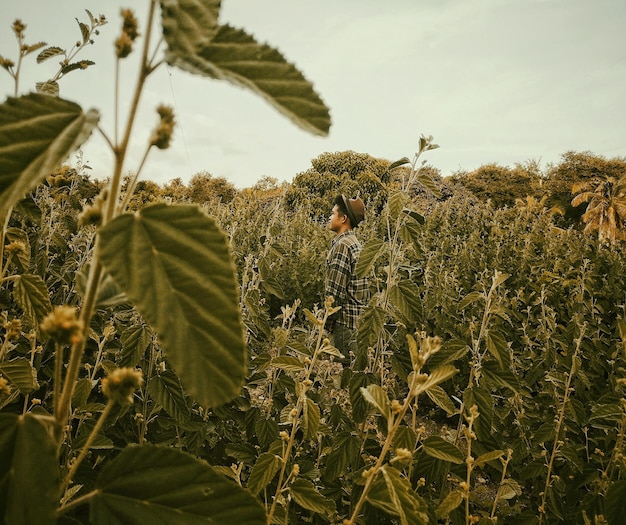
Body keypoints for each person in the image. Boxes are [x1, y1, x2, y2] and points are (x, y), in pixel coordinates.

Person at [324, 194, 369, 361]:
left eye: (333, 213)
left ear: (343, 219)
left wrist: (327, 324)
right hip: (356, 322)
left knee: (345, 376)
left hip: (345, 323)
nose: (329, 217)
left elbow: (335, 293)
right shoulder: (354, 243)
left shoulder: (343, 246)